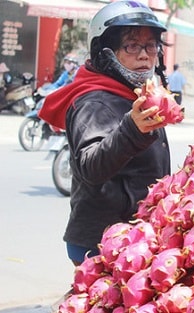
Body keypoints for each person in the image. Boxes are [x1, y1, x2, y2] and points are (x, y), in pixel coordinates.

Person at [39, 0, 171, 266]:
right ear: (104, 51)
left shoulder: (136, 96)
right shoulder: (94, 102)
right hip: (102, 241)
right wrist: (132, 130)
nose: (145, 56)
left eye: (151, 46)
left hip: (134, 235)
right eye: (132, 46)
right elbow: (90, 167)